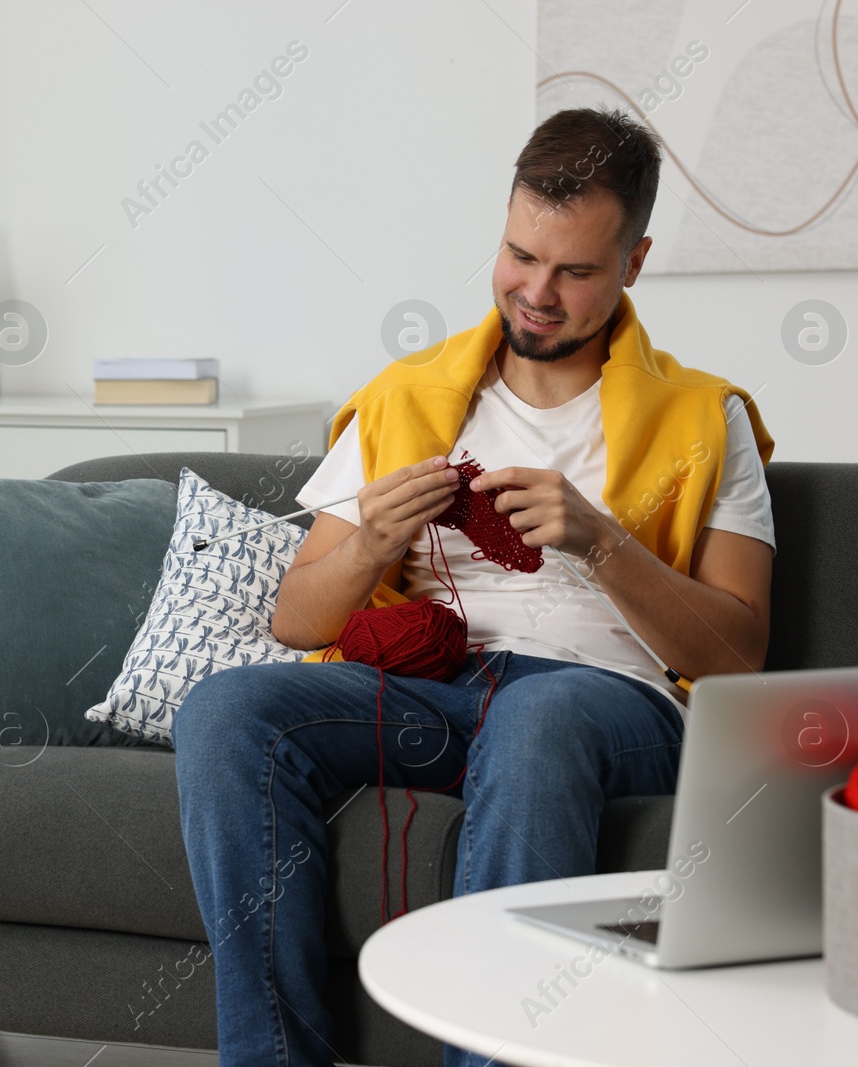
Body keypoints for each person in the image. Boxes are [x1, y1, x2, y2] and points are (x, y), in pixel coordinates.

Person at [171, 105, 776, 1067]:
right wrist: (371, 542)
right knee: (230, 708)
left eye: (575, 271)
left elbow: (740, 652)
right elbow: (297, 619)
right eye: (519, 254)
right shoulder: (406, 396)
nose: (536, 291)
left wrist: (601, 541)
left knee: (540, 723)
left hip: (607, 708)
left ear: (635, 260)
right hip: (437, 695)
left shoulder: (707, 416)